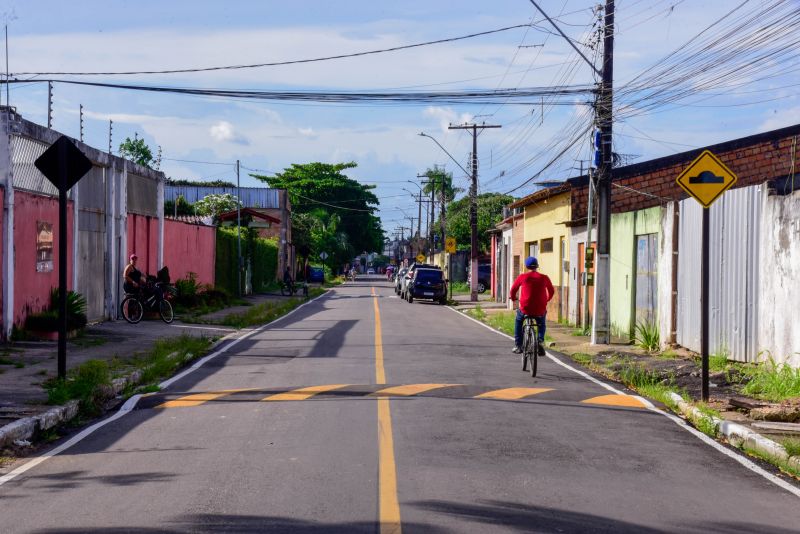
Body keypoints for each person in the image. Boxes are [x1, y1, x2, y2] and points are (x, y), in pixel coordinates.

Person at [509, 256, 554, 356]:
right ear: (537, 266)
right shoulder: (544, 277)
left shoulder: (523, 277)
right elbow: (551, 291)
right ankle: (540, 340)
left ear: (526, 266)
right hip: (540, 308)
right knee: (541, 323)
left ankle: (518, 345)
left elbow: (513, 290)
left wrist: (512, 298)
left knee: (519, 320)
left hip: (525, 308)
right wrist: (547, 299)